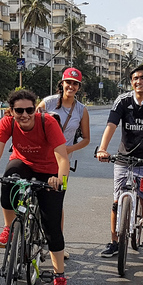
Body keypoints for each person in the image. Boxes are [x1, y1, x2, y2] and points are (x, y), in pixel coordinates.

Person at [0, 89, 72, 285]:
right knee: (8, 182)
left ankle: (59, 278)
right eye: (19, 110)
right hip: (22, 164)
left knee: (52, 228)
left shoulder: (47, 123)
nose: (24, 114)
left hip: (50, 171)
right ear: (11, 111)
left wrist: (59, 179)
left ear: (35, 109)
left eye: (29, 110)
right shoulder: (8, 123)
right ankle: (9, 229)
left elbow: (62, 157)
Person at [96, 64, 143, 259]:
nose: (139, 81)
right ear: (131, 82)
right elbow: (111, 125)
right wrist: (103, 149)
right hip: (123, 158)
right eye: (135, 78)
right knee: (117, 200)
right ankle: (114, 242)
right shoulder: (123, 100)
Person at [37, 67, 91, 260]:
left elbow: (86, 139)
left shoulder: (81, 110)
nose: (71, 86)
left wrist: (68, 150)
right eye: (68, 82)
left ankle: (57, 245)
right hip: (38, 155)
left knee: (56, 202)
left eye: (75, 84)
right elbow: (31, 121)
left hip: (61, 160)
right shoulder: (48, 102)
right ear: (62, 83)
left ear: (79, 87)